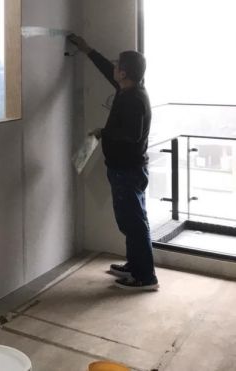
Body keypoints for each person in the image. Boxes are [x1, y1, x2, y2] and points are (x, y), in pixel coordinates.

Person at [68, 34, 158, 291]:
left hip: (128, 170)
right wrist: (88, 49)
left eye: (118, 65)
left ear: (125, 73)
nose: (114, 67)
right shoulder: (128, 89)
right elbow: (108, 70)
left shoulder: (134, 99)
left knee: (133, 222)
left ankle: (145, 277)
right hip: (125, 169)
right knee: (131, 221)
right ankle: (135, 265)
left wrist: (102, 132)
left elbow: (132, 134)